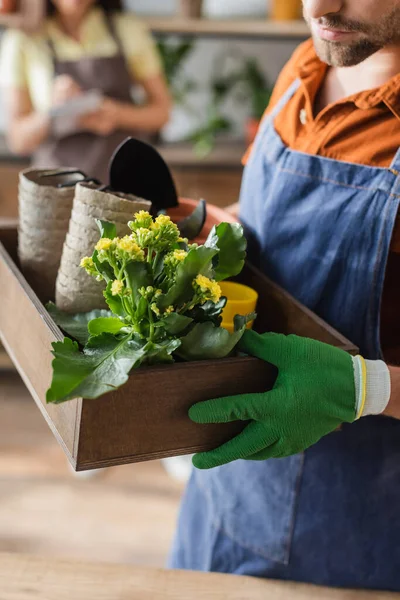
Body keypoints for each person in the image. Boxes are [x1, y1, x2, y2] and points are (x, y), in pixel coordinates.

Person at [169, 0, 400, 591]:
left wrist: (369, 388)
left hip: (359, 536)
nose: (320, 7)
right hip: (225, 491)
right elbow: (272, 223)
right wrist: (217, 235)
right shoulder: (309, 62)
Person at [0, 0, 171, 182]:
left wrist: (117, 114)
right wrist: (53, 111)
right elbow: (18, 140)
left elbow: (162, 112)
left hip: (123, 184)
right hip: (57, 190)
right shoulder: (22, 39)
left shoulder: (127, 29)